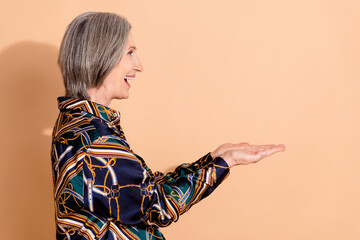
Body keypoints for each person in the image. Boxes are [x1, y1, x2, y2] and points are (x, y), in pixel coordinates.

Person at [51, 12, 285, 240]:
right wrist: (226, 163)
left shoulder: (78, 123)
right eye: (130, 53)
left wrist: (213, 159)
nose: (139, 66)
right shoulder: (96, 139)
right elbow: (159, 206)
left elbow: (143, 189)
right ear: (101, 56)